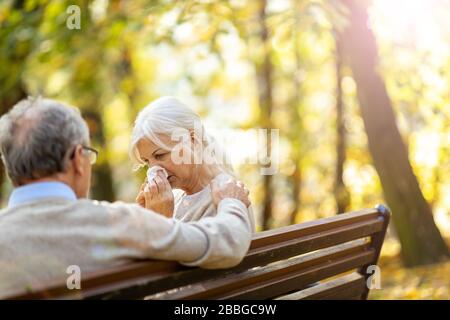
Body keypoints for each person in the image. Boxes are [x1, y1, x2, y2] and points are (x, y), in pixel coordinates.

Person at [0, 97, 252, 299]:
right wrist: (229, 202)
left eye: (159, 155)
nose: (154, 169)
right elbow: (225, 243)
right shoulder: (119, 223)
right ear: (78, 160)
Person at [130, 96, 255, 231]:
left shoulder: (225, 198)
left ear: (193, 140)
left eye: (160, 155)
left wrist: (160, 222)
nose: (153, 171)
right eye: (147, 161)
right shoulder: (173, 200)